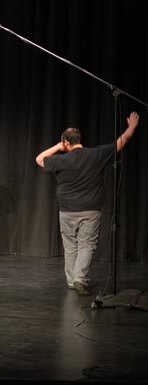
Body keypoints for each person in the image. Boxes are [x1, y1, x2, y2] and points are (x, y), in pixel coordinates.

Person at [36, 112, 140, 296]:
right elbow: (120, 142)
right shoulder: (96, 155)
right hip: (90, 210)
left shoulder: (62, 159)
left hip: (67, 211)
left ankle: (72, 281)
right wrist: (131, 127)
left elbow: (39, 159)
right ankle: (79, 279)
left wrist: (59, 146)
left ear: (66, 142)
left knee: (70, 246)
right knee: (87, 245)